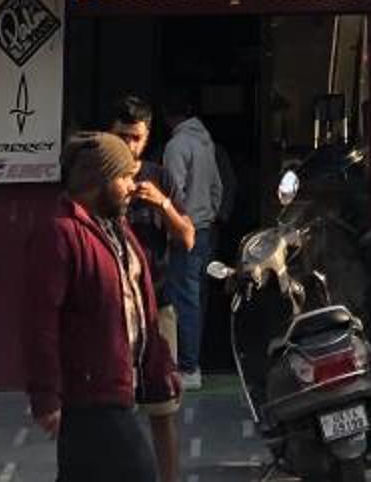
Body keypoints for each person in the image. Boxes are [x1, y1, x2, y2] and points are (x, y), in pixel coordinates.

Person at [27, 132, 175, 482]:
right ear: (99, 179)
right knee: (139, 473)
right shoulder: (60, 233)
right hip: (90, 395)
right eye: (124, 177)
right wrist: (46, 395)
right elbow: (39, 322)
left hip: (118, 387)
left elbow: (140, 307)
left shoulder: (117, 229)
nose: (132, 186)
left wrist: (158, 370)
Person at [109, 98, 195, 482]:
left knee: (163, 408)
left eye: (136, 138)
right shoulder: (97, 179)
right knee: (113, 411)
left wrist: (162, 204)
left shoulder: (159, 177)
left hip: (156, 306)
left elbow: (188, 239)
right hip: (109, 311)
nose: (129, 145)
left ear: (147, 138)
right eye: (122, 136)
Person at [157, 100, 224, 371]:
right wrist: (208, 215)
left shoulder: (176, 145)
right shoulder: (206, 143)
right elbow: (217, 188)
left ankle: (187, 365)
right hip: (205, 228)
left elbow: (174, 192)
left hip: (183, 230)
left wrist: (176, 225)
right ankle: (193, 359)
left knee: (182, 299)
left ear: (166, 116)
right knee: (196, 298)